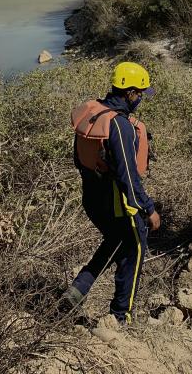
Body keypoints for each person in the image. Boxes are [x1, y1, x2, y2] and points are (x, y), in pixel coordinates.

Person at [60, 62, 160, 323]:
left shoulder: (94, 113)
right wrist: (148, 208)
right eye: (139, 93)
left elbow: (79, 160)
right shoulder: (120, 126)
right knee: (135, 247)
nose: (140, 99)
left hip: (91, 196)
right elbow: (128, 176)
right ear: (129, 93)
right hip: (115, 199)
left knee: (116, 240)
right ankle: (121, 316)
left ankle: (79, 288)